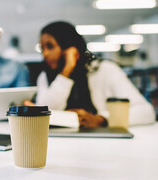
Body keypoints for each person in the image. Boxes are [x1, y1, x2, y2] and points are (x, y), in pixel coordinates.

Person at [25, 21, 155, 128]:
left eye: (50, 46)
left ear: (68, 46)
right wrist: (66, 72)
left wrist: (102, 119)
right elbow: (45, 115)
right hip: (59, 144)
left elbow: (146, 112)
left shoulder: (104, 69)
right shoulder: (44, 76)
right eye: (42, 48)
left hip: (103, 144)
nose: (45, 54)